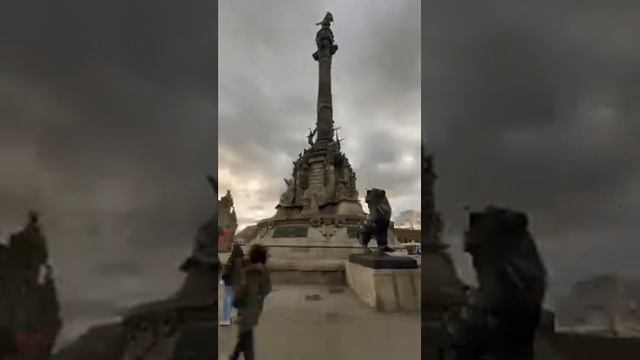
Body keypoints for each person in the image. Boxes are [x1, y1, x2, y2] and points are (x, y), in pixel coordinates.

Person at [230, 244, 271, 360]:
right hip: (256, 309)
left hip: (244, 309)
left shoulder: (246, 272)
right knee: (245, 334)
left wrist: (236, 303)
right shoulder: (265, 272)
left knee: (246, 337)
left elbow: (240, 291)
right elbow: (267, 290)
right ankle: (234, 356)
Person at [220, 242, 245, 326]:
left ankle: (227, 319)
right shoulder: (242, 259)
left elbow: (229, 269)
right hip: (237, 281)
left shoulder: (233, 258)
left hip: (230, 280)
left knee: (228, 298)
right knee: (238, 298)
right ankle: (239, 316)